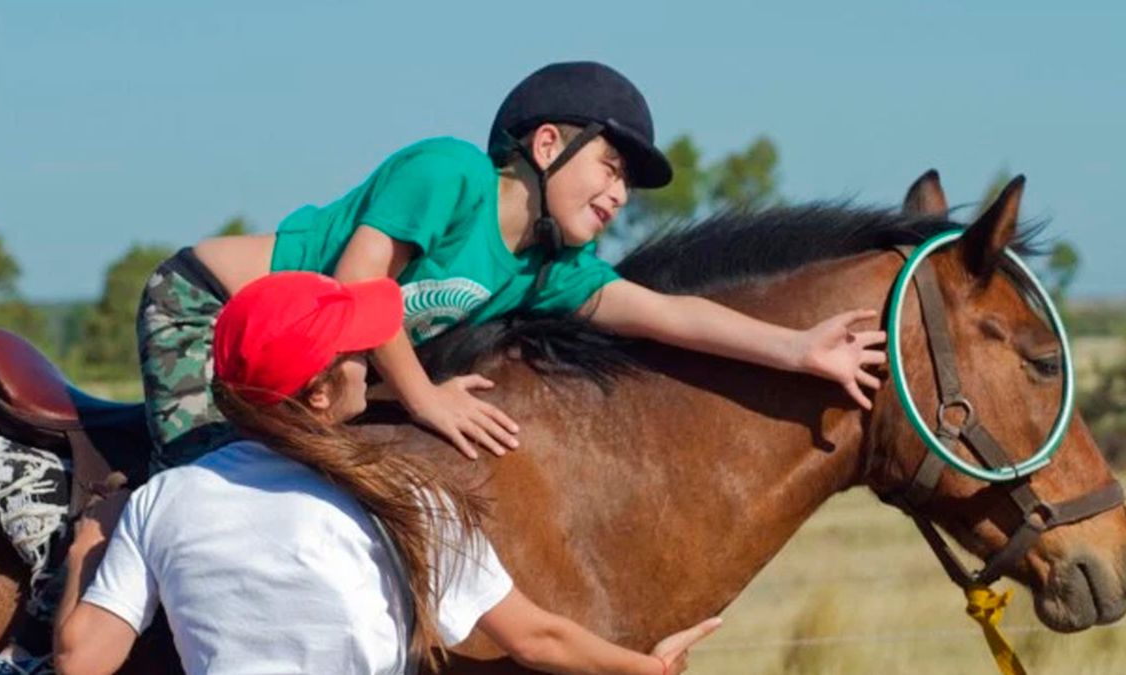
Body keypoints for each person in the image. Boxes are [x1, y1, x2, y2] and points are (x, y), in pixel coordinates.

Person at [141, 60, 886, 472]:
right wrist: (425, 398)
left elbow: (670, 313)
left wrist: (796, 346)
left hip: (308, 367)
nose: (618, 194)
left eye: (625, 183)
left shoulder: (549, 268)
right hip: (205, 308)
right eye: (610, 165)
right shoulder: (448, 172)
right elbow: (354, 291)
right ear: (546, 143)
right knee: (203, 487)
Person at [52, 272, 722, 675]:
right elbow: (535, 637)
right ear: (318, 392)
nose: (369, 362)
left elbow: (81, 661)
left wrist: (90, 543)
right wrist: (646, 665)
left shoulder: (165, 498)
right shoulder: (403, 495)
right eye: (355, 352)